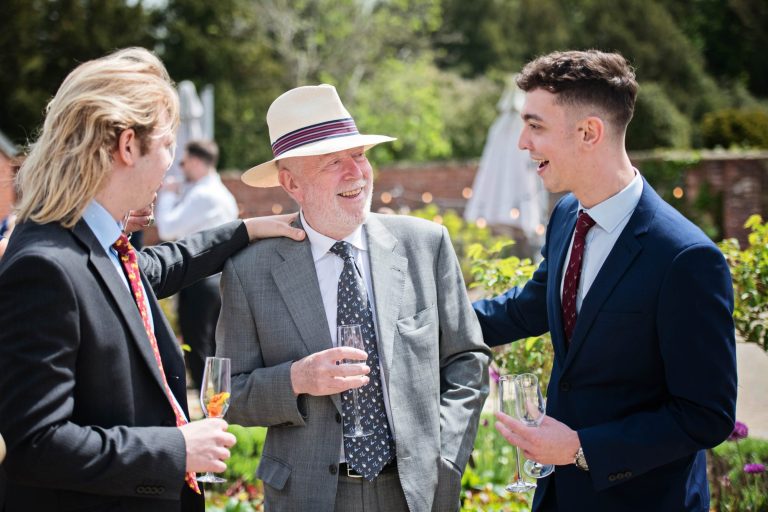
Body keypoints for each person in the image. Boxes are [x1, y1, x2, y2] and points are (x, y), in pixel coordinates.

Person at [0, 47, 305, 512]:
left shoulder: (93, 244)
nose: (171, 164)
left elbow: (155, 268)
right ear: (127, 146)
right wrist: (178, 448)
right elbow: (37, 445)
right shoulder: (44, 267)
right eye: (167, 145)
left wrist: (244, 231)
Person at [473, 50, 737, 511]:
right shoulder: (566, 215)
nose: (522, 142)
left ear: (589, 132)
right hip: (558, 497)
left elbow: (706, 416)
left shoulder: (686, 259)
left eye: (535, 126)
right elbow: (529, 306)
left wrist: (580, 448)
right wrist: (421, 320)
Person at [215, 84, 491, 512]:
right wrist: (296, 380)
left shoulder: (425, 244)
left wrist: (446, 457)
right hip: (307, 497)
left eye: (359, 155)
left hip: (417, 491)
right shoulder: (250, 271)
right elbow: (228, 394)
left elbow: (467, 360)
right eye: (332, 163)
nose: (355, 173)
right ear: (291, 183)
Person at [155, 139, 239, 389]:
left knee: (197, 346)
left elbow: (167, 228)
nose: (182, 168)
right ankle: (218, 405)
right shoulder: (222, 193)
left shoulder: (203, 194)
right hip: (219, 278)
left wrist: (167, 196)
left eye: (183, 162)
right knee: (214, 346)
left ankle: (210, 409)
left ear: (195, 161)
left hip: (199, 279)